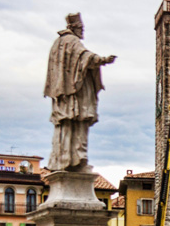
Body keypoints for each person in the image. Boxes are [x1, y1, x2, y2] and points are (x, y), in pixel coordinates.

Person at [44, 12, 116, 172]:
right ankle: (76, 158)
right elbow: (85, 57)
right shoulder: (72, 41)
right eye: (81, 28)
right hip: (74, 94)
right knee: (78, 125)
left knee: (65, 127)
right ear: (74, 27)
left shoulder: (58, 43)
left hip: (62, 94)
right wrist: (103, 60)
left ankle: (61, 160)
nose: (83, 31)